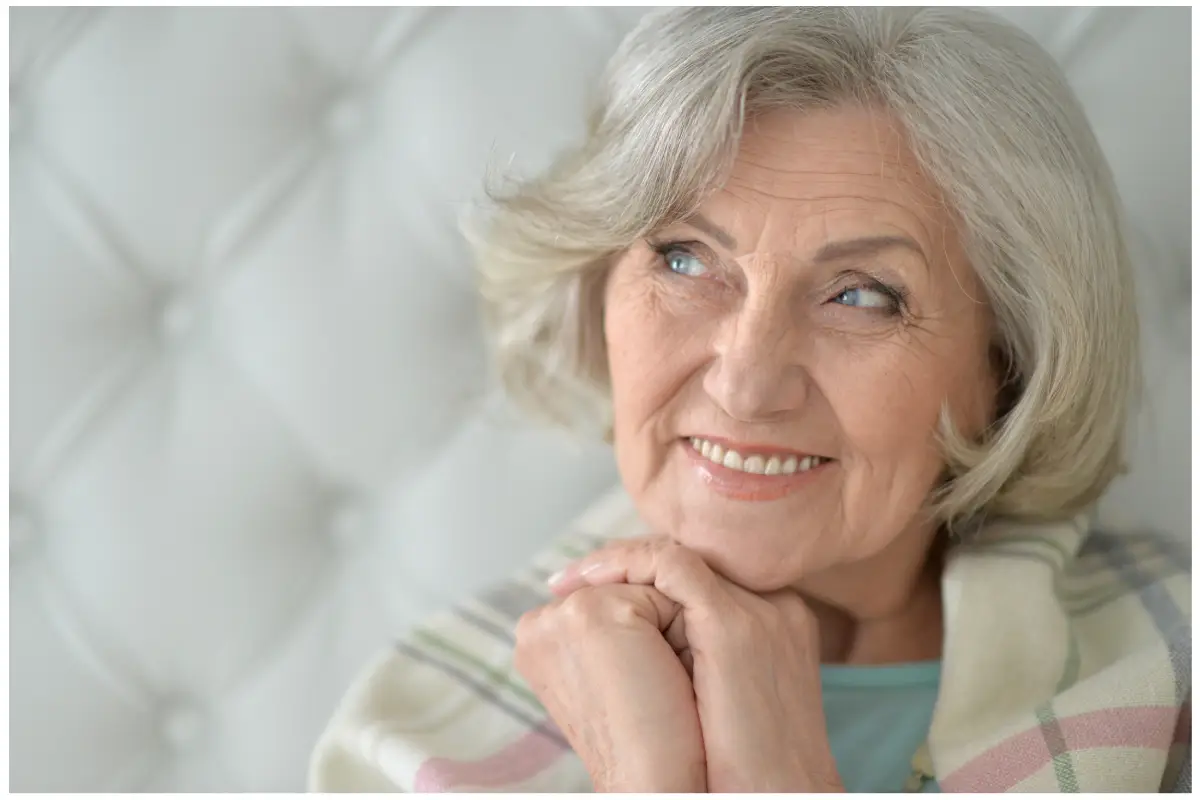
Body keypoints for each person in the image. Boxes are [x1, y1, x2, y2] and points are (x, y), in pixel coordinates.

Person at [309, 7, 1190, 793]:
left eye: (862, 295)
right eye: (686, 259)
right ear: (596, 291)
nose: (746, 381)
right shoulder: (417, 736)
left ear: (1008, 362)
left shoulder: (1168, 680)